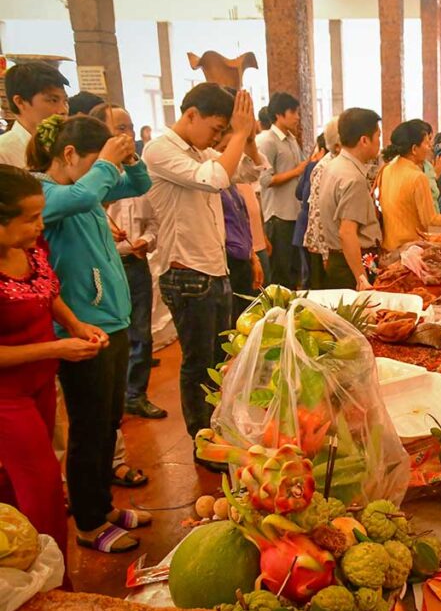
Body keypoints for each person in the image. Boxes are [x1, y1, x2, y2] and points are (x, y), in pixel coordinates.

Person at [28, 114, 154, 553]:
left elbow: (138, 186)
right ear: (68, 155)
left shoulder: (90, 185)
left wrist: (130, 158)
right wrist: (105, 162)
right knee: (88, 428)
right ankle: (87, 522)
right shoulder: (43, 192)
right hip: (81, 329)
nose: (105, 172)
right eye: (96, 160)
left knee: (108, 424)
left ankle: (103, 507)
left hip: (111, 322)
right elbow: (79, 197)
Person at [142, 84, 264, 454]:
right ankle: (201, 441)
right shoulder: (160, 149)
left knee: (218, 361)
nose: (218, 137)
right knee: (198, 365)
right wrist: (238, 134)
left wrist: (249, 136)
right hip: (186, 273)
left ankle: (217, 433)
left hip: (213, 269)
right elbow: (215, 179)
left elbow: (250, 171)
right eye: (216, 127)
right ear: (190, 114)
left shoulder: (201, 151)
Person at [0, 164, 104, 580]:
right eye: (29, 218)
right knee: (43, 489)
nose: (39, 225)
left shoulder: (29, 248)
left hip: (41, 383)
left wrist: (76, 324)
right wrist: (57, 346)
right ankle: (56, 587)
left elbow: (46, 292)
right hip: (7, 397)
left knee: (12, 487)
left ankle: (20, 584)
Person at [91, 104, 166, 499]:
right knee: (95, 402)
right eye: (119, 129)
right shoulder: (88, 184)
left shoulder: (127, 177)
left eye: (130, 128)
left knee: (140, 334)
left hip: (133, 262)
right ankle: (95, 491)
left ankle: (135, 396)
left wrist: (145, 241)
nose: (127, 135)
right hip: (102, 275)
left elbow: (147, 205)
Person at [312, 108, 384, 289]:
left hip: (339, 258)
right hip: (353, 262)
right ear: (364, 140)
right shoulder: (353, 178)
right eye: (378, 136)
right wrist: (362, 279)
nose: (380, 143)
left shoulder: (333, 165)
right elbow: (347, 232)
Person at [379, 119, 441, 251]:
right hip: (410, 249)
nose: (430, 148)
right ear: (414, 149)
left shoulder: (387, 169)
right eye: (427, 144)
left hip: (389, 246)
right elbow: (432, 222)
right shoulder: (417, 177)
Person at [258, 92, 311, 288]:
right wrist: (296, 171)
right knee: (281, 276)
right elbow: (264, 180)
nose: (297, 116)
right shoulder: (267, 141)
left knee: (294, 272)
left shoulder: (290, 139)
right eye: (293, 112)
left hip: (294, 214)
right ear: (279, 114)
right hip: (278, 216)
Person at [214, 129, 265, 324]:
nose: (229, 154)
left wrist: (253, 257)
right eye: (223, 149)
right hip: (227, 262)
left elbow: (242, 222)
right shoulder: (211, 185)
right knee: (233, 324)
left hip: (243, 259)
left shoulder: (232, 184)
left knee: (249, 318)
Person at [0, 62, 69, 167]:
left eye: (65, 101)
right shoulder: (4, 152)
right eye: (53, 100)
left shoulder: (67, 146)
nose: (63, 110)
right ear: (20, 102)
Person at [292, 133, 328, 289]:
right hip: (318, 232)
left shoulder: (312, 166)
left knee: (308, 277)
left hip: (304, 226)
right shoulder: (325, 167)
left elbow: (299, 193)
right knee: (317, 278)